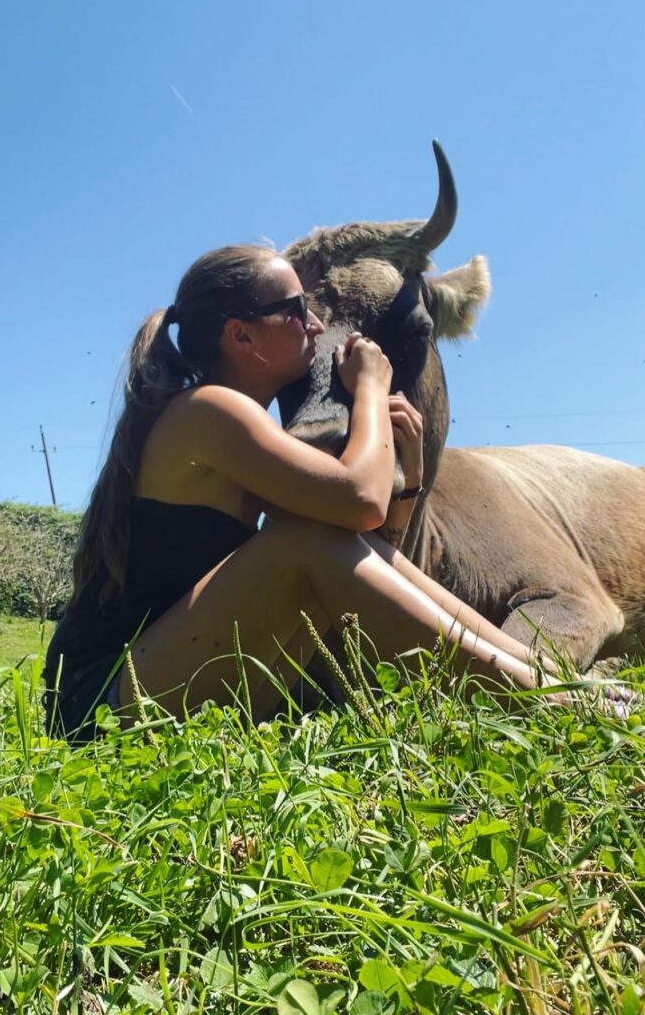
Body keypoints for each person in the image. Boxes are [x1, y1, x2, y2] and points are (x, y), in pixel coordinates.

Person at [44, 244, 572, 742]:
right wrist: (370, 390)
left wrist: (409, 480)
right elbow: (361, 500)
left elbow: (367, 544)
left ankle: (549, 677)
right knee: (300, 540)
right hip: (95, 704)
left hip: (163, 678)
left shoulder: (236, 424)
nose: (317, 327)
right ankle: (545, 699)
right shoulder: (206, 411)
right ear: (241, 336)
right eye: (297, 311)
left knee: (315, 532)